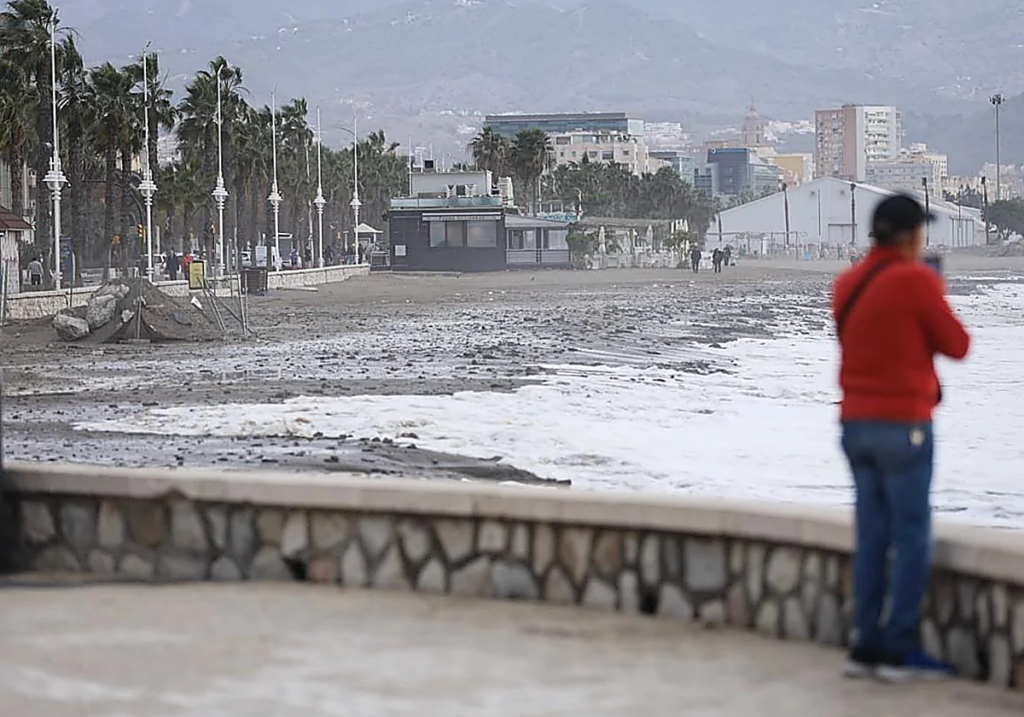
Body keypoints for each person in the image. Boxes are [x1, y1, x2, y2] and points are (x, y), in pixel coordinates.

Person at [832, 194, 970, 682]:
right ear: (913, 236)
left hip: (854, 424)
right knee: (911, 535)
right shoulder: (916, 282)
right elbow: (958, 345)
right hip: (904, 427)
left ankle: (865, 644)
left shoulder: (848, 283)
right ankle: (901, 647)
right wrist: (936, 288)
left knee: (871, 534)